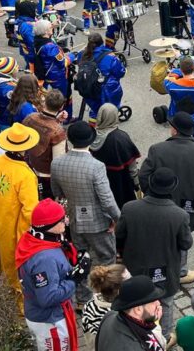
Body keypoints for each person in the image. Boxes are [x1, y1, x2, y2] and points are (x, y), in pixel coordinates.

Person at [50, 120, 121, 305]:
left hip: (74, 219)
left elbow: (57, 192)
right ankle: (107, 297)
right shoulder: (96, 166)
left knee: (80, 258)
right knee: (107, 257)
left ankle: (82, 299)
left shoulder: (57, 163)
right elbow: (106, 199)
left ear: (70, 139)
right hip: (98, 222)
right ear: (91, 140)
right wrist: (117, 218)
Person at [117, 167, 193, 337]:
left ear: (150, 184)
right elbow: (186, 243)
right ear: (172, 188)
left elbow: (119, 235)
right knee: (165, 303)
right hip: (166, 270)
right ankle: (164, 338)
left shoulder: (129, 208)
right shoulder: (180, 215)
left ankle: (137, 334)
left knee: (136, 304)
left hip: (136, 267)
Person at [138, 111, 194, 285]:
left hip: (159, 200)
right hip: (188, 203)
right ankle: (181, 271)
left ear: (174, 130)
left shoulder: (157, 149)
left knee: (159, 235)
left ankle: (158, 271)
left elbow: (143, 175)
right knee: (183, 235)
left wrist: (151, 194)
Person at [15, 199, 87, 351]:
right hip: (50, 322)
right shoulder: (44, 259)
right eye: (62, 219)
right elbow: (48, 298)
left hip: (44, 316)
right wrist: (74, 280)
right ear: (50, 226)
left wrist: (73, 263)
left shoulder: (34, 238)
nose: (66, 221)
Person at [0, 123, 41, 297]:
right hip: (14, 228)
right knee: (15, 269)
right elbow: (30, 210)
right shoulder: (25, 174)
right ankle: (18, 302)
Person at [94, 275, 168, 350]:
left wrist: (154, 322)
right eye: (153, 301)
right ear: (138, 310)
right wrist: (156, 326)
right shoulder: (133, 347)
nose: (158, 303)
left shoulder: (110, 315)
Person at [89, 103, 141, 208]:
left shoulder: (90, 135)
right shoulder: (120, 138)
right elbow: (132, 167)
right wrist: (137, 184)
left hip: (98, 183)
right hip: (120, 183)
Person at [23, 88, 69, 199]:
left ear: (45, 102)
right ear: (61, 107)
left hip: (28, 167)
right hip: (46, 177)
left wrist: (56, 121)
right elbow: (58, 163)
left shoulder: (30, 118)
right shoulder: (58, 132)